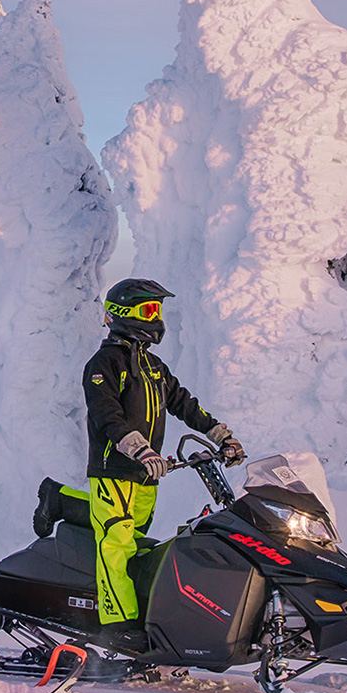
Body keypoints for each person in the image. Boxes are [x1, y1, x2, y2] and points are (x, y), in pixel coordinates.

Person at [71, 278, 244, 653]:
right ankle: (116, 626)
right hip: (115, 469)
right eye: (149, 310)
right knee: (115, 542)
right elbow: (106, 415)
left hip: (147, 474)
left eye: (158, 310)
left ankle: (141, 614)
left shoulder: (153, 366)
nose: (157, 317)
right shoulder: (104, 364)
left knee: (134, 544)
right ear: (122, 315)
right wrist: (137, 449)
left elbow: (184, 403)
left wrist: (219, 434)